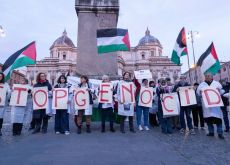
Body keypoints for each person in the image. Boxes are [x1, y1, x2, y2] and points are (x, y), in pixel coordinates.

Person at [197, 72, 225, 139]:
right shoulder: (201, 85)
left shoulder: (216, 84)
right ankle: (211, 132)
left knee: (218, 119)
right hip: (206, 105)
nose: (207, 77)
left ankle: (220, 133)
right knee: (208, 119)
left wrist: (219, 91)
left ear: (212, 76)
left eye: (209, 76)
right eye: (206, 76)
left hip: (215, 105)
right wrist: (200, 92)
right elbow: (198, 93)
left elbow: (222, 91)